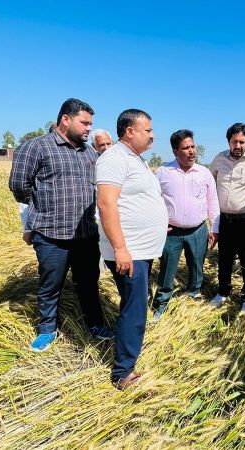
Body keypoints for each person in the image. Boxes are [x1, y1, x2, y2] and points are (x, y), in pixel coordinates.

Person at [9, 98, 113, 352]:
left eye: (91, 124)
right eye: (84, 123)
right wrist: (44, 209)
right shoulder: (36, 148)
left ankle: (95, 324)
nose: (89, 129)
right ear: (65, 119)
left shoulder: (89, 152)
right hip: (51, 235)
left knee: (88, 282)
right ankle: (47, 329)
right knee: (50, 284)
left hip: (86, 233)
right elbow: (19, 186)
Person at [96, 109, 168, 390]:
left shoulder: (134, 159)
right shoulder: (113, 159)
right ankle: (123, 372)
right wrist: (120, 248)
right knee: (134, 308)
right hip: (130, 251)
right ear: (130, 132)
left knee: (135, 304)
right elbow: (106, 204)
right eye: (148, 130)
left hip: (141, 248)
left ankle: (128, 355)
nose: (152, 135)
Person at [151, 129, 220, 322]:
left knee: (197, 266)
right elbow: (154, 201)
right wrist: (157, 225)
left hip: (198, 230)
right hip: (171, 232)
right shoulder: (163, 173)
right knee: (167, 269)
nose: (191, 151)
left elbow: (212, 202)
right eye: (185, 148)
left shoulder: (204, 173)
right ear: (175, 152)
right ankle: (161, 303)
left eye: (193, 147)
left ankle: (193, 294)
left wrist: (214, 227)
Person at [209, 123, 245, 315]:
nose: (238, 146)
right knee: (224, 259)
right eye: (234, 142)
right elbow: (209, 184)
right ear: (229, 141)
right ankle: (223, 292)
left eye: (242, 142)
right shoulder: (219, 159)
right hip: (225, 220)